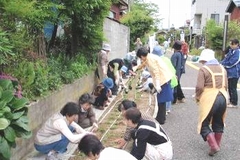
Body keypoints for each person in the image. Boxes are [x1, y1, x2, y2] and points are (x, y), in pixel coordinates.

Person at [196, 49, 228, 156]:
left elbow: (200, 87)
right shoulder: (222, 68)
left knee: (204, 123)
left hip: (210, 98)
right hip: (223, 97)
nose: (202, 63)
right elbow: (226, 86)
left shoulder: (203, 69)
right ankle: (216, 145)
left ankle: (214, 146)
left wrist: (197, 96)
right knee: (218, 122)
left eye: (203, 61)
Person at [137, 47, 173, 124]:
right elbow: (143, 64)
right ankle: (160, 118)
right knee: (160, 100)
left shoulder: (150, 60)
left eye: (140, 58)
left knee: (161, 100)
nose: (141, 59)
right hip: (162, 78)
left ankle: (161, 119)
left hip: (163, 79)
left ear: (142, 56)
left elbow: (156, 72)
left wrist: (157, 84)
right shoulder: (149, 57)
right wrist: (136, 68)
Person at [152, 45, 178, 114]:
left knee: (164, 96)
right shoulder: (166, 59)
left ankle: (164, 111)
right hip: (173, 79)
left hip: (166, 80)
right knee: (169, 95)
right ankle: (168, 109)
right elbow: (173, 69)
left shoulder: (157, 61)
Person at [221, 39, 240, 108]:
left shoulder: (238, 52)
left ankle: (234, 103)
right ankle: (231, 101)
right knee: (229, 87)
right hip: (229, 72)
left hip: (235, 72)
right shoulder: (231, 51)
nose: (230, 45)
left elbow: (233, 62)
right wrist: (221, 63)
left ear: (236, 44)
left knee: (233, 88)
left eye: (232, 44)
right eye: (230, 44)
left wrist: (224, 64)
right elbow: (226, 59)